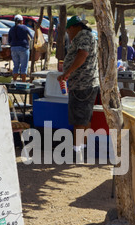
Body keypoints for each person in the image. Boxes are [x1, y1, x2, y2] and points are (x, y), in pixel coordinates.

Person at [57, 16, 99, 161]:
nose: (69, 34)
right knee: (85, 117)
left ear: (73, 27)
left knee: (79, 119)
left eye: (69, 31)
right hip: (85, 83)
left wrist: (67, 73)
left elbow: (82, 55)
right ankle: (82, 147)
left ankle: (76, 151)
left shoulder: (83, 36)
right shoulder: (87, 35)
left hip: (83, 83)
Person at [8, 14, 34, 82]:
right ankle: (23, 82)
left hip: (13, 48)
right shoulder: (24, 27)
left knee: (16, 66)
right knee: (24, 66)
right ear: (21, 21)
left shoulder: (11, 29)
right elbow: (31, 37)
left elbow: (9, 41)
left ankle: (14, 81)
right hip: (23, 48)